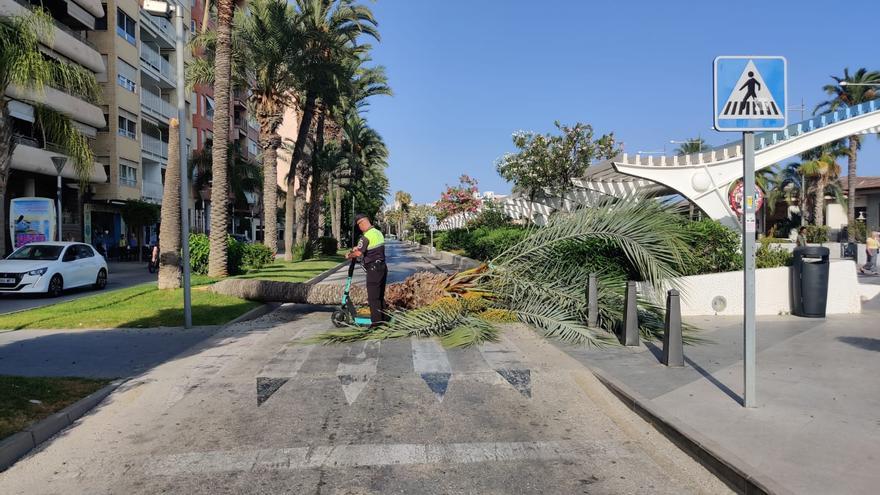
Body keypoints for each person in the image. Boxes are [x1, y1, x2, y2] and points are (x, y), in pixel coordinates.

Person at [347, 214, 387, 327]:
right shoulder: (378, 233)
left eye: (359, 225)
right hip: (382, 267)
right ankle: (383, 319)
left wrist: (349, 255)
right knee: (380, 295)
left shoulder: (366, 236)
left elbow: (359, 253)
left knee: (373, 298)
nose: (359, 228)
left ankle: (376, 324)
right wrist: (358, 248)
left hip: (373, 269)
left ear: (362, 223)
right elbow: (369, 248)